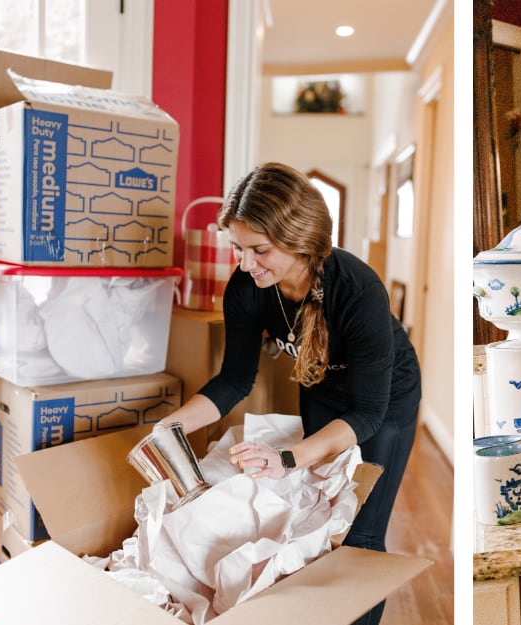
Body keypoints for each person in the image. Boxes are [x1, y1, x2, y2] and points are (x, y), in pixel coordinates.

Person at [159, 162, 421, 625]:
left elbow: (366, 414)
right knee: (315, 518)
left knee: (359, 535)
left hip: (384, 402)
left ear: (300, 239)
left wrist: (287, 458)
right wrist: (174, 426)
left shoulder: (358, 290)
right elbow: (235, 379)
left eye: (259, 250)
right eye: (237, 248)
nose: (245, 264)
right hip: (320, 386)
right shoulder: (248, 286)